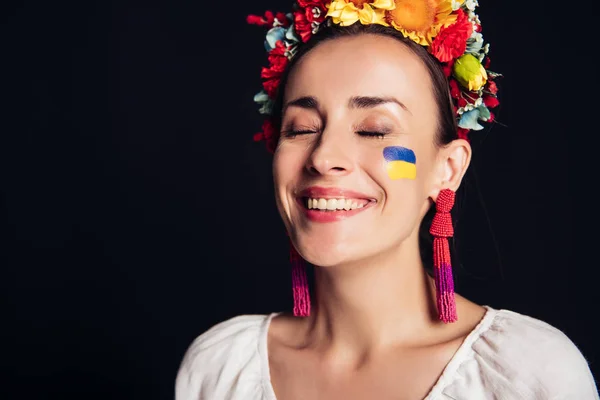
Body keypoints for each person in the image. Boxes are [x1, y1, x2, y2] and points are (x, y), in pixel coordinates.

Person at [175, 1, 599, 398]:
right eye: (301, 128)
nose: (323, 158)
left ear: (447, 168)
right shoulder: (220, 368)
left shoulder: (526, 374)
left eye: (375, 130)